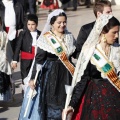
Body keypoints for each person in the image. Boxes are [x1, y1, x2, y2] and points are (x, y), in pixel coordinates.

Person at [19, 9, 76, 120]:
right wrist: (32, 78)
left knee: (66, 101)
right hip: (51, 74)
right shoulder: (46, 38)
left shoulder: (69, 36)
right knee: (52, 103)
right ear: (52, 23)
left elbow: (76, 53)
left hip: (67, 74)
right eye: (59, 22)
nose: (62, 25)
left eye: (64, 22)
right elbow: (39, 59)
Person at [62, 15, 120, 120]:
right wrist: (72, 104)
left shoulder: (117, 49)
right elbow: (83, 80)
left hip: (116, 98)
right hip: (96, 100)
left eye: (118, 32)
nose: (117, 36)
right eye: (114, 32)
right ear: (103, 32)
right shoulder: (90, 52)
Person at [11, 14, 41, 85]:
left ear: (36, 24)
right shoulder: (23, 33)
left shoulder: (40, 34)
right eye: (29, 24)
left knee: (36, 77)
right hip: (26, 60)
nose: (30, 26)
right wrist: (15, 60)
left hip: (37, 59)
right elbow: (17, 47)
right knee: (25, 77)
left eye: (33, 24)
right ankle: (25, 91)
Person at [0, 17, 13, 101]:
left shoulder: (3, 34)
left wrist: (6, 57)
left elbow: (7, 47)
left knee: (2, 78)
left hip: (2, 58)